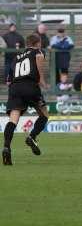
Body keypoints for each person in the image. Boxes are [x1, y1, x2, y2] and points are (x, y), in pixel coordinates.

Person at [2, 34, 49, 166]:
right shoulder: (38, 52)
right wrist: (43, 82)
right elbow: (39, 64)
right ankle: (32, 137)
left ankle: (6, 147)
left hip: (15, 88)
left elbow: (8, 81)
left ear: (26, 43)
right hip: (30, 86)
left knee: (13, 119)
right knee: (44, 115)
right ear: (38, 43)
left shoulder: (16, 58)